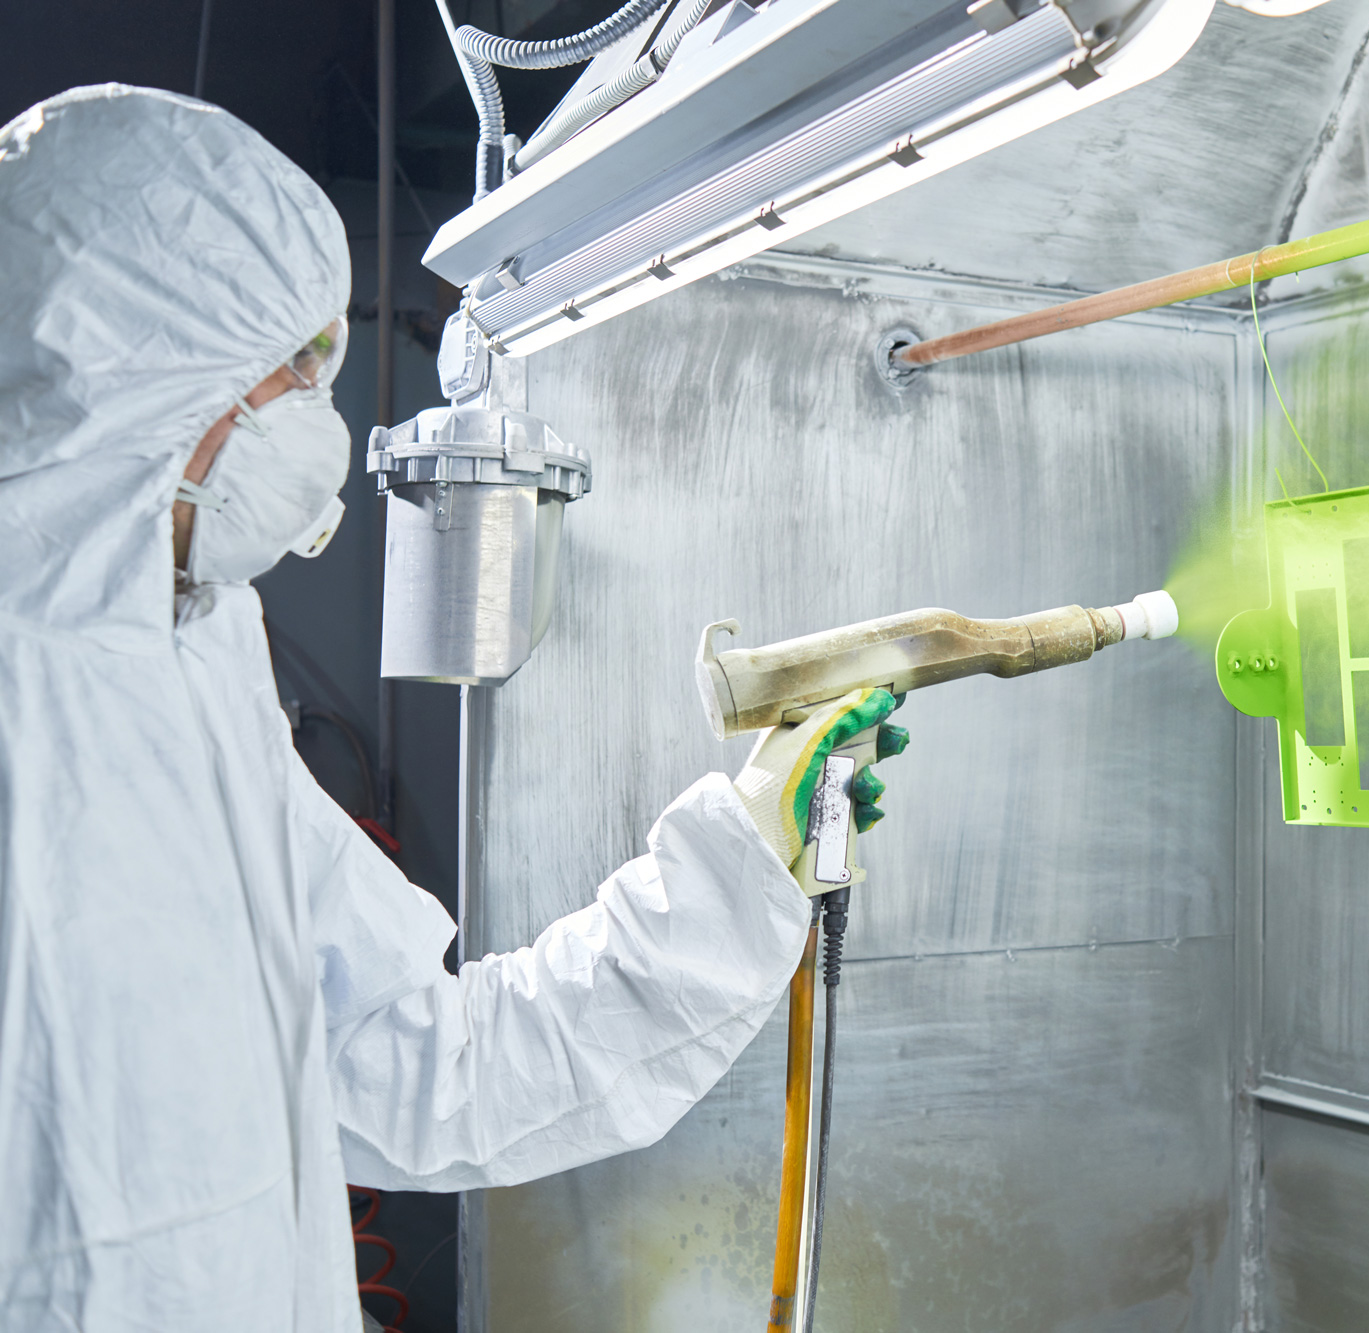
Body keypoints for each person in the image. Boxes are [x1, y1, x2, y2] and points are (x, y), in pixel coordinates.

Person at [0, 84, 901, 1330]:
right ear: (132, 375)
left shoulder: (197, 654)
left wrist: (742, 853)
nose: (322, 421)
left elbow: (414, 1059)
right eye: (288, 375)